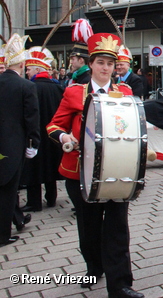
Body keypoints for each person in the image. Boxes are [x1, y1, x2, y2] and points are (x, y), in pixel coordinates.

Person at [47, 33, 144, 298]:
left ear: (115, 67)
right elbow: (53, 125)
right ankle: (93, 266)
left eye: (110, 64)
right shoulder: (73, 92)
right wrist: (64, 136)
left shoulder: (124, 92)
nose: (105, 68)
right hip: (81, 172)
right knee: (89, 227)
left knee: (117, 228)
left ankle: (121, 284)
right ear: (91, 64)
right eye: (100, 62)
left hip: (116, 169)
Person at [0, 34, 40, 248]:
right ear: (23, 64)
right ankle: (3, 235)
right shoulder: (26, 86)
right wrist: (33, 143)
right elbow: (31, 119)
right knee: (8, 192)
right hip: (13, 146)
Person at [21, 47, 63, 212]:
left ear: (38, 69)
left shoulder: (30, 88)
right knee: (51, 165)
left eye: (29, 69)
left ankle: (34, 202)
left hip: (36, 133)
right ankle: (51, 198)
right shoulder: (57, 87)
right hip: (53, 133)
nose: (27, 72)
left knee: (34, 169)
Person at [66, 19, 93, 87]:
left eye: (73, 59)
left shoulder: (87, 79)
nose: (71, 62)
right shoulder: (78, 76)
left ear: (81, 60)